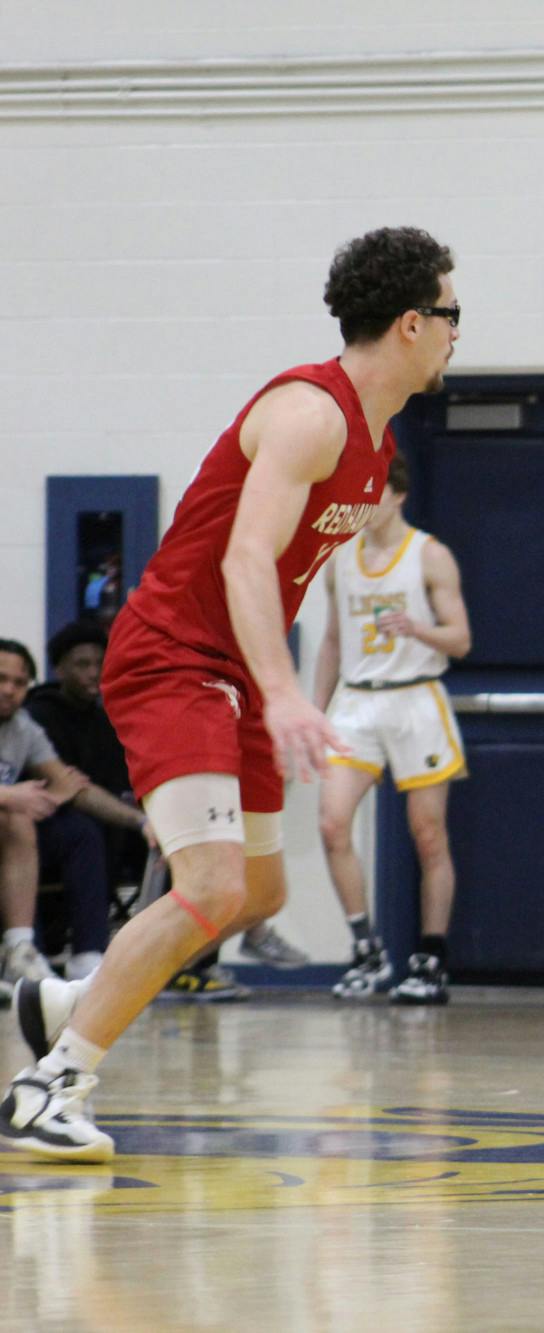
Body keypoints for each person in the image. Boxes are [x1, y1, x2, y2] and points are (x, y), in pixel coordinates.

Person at [2, 226, 458, 1161]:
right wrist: (290, 691)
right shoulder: (309, 413)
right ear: (412, 323)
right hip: (175, 658)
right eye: (453, 314)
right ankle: (48, 1085)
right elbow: (248, 556)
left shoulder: (378, 443)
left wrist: (270, 686)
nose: (460, 332)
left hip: (237, 673)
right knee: (209, 887)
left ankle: (59, 1004)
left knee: (257, 889)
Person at [313, 452, 472, 1005]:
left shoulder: (430, 555)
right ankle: (366, 949)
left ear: (398, 495)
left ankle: (431, 957)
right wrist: (315, 711)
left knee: (427, 834)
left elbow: (461, 640)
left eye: (371, 492)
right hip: (357, 702)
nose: (361, 503)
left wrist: (418, 630)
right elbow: (333, 640)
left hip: (415, 701)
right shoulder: (339, 560)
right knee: (333, 824)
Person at [0, 638, 153, 992]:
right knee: (17, 815)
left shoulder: (24, 728)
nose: (9, 690)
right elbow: (37, 794)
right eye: (2, 679)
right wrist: (11, 795)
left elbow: (72, 786)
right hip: (11, 821)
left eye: (19, 683)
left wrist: (142, 822)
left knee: (79, 831)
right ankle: (21, 946)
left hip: (10, 832)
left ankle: (86, 956)